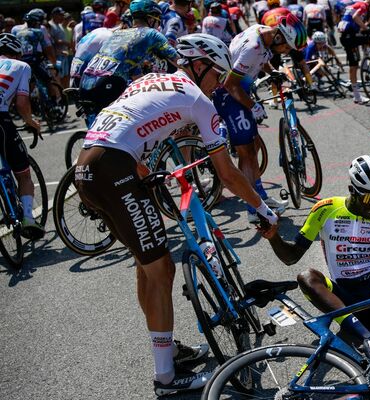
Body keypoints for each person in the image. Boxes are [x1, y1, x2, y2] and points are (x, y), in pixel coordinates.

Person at [76, 33, 279, 395]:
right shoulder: (199, 100)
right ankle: (165, 379)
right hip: (113, 168)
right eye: (217, 75)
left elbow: (130, 128)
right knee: (163, 270)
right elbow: (228, 175)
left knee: (147, 265)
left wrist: (142, 179)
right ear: (199, 66)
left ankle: (166, 350)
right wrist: (263, 209)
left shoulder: (150, 80)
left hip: (87, 166)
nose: (219, 85)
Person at [258, 155, 370, 351]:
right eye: (369, 197)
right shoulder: (325, 210)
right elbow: (292, 257)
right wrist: (274, 237)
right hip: (346, 302)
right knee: (306, 277)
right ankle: (368, 339)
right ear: (352, 190)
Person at [214, 16, 306, 222]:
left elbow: (262, 59)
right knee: (246, 153)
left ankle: (260, 198)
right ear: (278, 36)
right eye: (286, 47)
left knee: (254, 148)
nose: (286, 52)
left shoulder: (262, 32)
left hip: (239, 93)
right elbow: (231, 85)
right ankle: (253, 209)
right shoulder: (253, 47)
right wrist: (253, 106)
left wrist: (272, 72)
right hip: (229, 96)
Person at [80, 0, 177, 125]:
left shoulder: (118, 34)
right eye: (158, 19)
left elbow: (134, 73)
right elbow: (177, 60)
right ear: (151, 19)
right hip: (108, 86)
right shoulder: (152, 34)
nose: (159, 23)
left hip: (85, 86)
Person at [0, 34, 44, 239]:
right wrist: (32, 123)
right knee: (24, 174)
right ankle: (28, 218)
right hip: (1, 122)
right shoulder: (21, 66)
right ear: (16, 53)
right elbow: (22, 104)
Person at [12, 9, 60, 104]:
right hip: (36, 60)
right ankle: (54, 104)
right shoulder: (39, 31)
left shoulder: (16, 30)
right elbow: (47, 47)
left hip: (21, 60)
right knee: (48, 80)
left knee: (27, 84)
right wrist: (52, 62)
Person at [337, 0, 370, 104]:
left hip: (347, 36)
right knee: (353, 67)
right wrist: (366, 28)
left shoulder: (355, 5)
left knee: (354, 66)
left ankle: (366, 60)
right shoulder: (363, 5)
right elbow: (355, 17)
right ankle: (357, 96)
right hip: (350, 38)